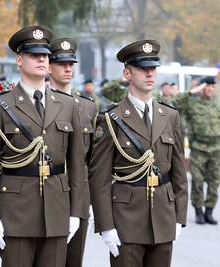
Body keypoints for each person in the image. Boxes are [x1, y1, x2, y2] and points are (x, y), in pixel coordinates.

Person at [0, 25, 86, 267]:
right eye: (34, 54)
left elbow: (77, 164)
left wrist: (76, 211)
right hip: (16, 212)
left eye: (45, 55)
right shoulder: (0, 105)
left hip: (57, 209)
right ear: (19, 60)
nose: (41, 59)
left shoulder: (68, 105)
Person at [89, 39, 188, 267]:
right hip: (126, 219)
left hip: (163, 216)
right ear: (127, 73)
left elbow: (179, 172)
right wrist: (106, 226)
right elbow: (100, 178)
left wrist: (179, 216)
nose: (149, 73)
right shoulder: (111, 118)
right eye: (143, 68)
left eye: (152, 68)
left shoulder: (169, 115)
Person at [48, 37, 97, 267]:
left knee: (74, 260)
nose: (68, 69)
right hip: (47, 192)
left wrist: (92, 202)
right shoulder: (41, 104)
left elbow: (95, 160)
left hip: (79, 196)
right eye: (61, 63)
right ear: (49, 65)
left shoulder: (88, 107)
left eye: (71, 64)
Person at [172, 77, 219, 225]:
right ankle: (198, 211)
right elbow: (176, 103)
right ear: (202, 88)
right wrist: (193, 91)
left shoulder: (218, 102)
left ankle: (209, 211)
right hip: (198, 148)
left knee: (214, 182)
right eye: (207, 86)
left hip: (216, 148)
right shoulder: (192, 103)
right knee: (197, 181)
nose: (210, 89)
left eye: (212, 86)